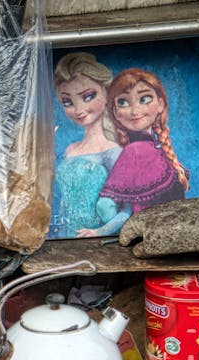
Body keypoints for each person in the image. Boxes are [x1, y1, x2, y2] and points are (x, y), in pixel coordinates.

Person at [80, 68, 190, 238]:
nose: (135, 110)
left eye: (144, 99)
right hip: (170, 236)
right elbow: (111, 206)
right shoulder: (137, 151)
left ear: (160, 104)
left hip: (159, 238)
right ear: (115, 112)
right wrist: (103, 232)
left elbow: (110, 207)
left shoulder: (146, 149)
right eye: (123, 102)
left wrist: (109, 231)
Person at [50, 53, 122, 238]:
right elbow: (65, 204)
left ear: (106, 93)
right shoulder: (70, 150)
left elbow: (128, 210)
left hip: (98, 241)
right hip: (65, 239)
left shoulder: (113, 152)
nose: (79, 109)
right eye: (68, 102)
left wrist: (100, 232)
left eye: (88, 96)